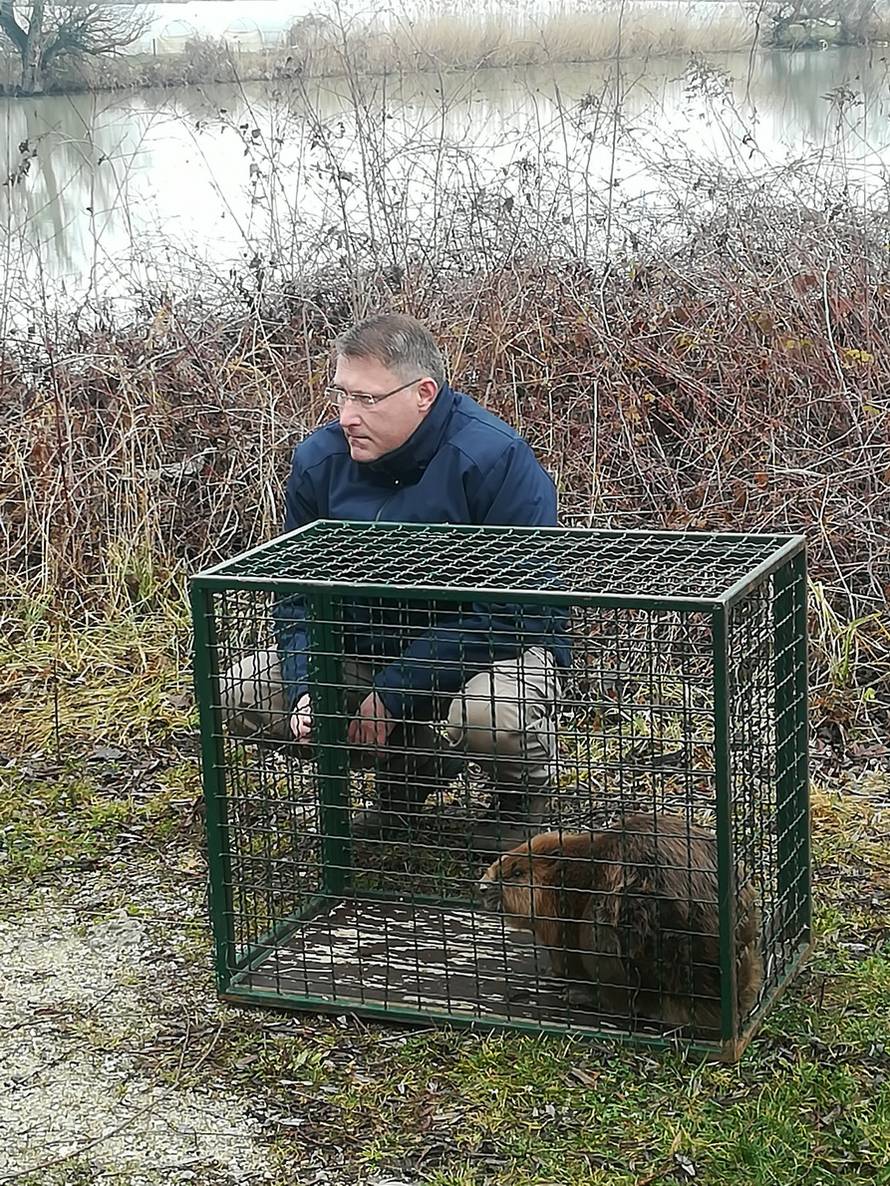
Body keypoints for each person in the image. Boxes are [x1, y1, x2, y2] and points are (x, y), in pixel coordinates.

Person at [221, 313, 570, 851]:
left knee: (491, 715)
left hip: (491, 654)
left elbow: (517, 612)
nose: (346, 417)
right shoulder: (319, 461)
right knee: (243, 692)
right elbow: (295, 591)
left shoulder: (493, 458)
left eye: (367, 400)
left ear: (423, 394)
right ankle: (407, 775)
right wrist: (309, 683)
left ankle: (520, 803)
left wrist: (395, 691)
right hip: (364, 651)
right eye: (341, 396)